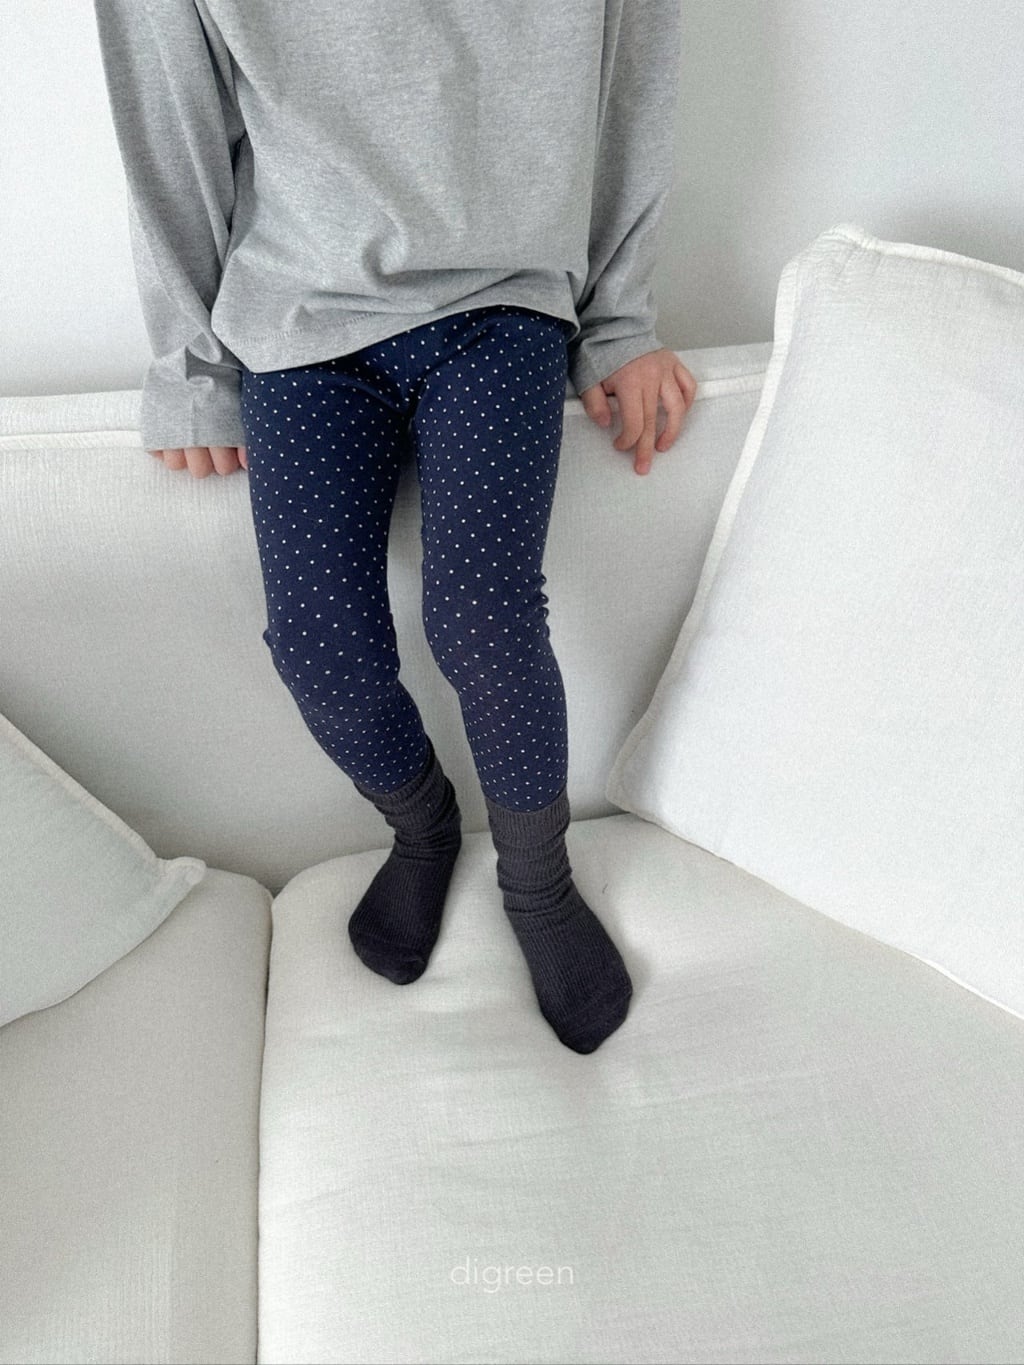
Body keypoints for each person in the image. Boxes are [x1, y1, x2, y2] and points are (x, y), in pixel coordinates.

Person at [92, 0, 698, 1054]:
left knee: (484, 621)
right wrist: (189, 366)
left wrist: (619, 320)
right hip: (300, 319)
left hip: (505, 306)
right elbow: (166, 113)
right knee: (319, 648)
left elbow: (632, 76)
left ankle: (538, 882)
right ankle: (422, 826)